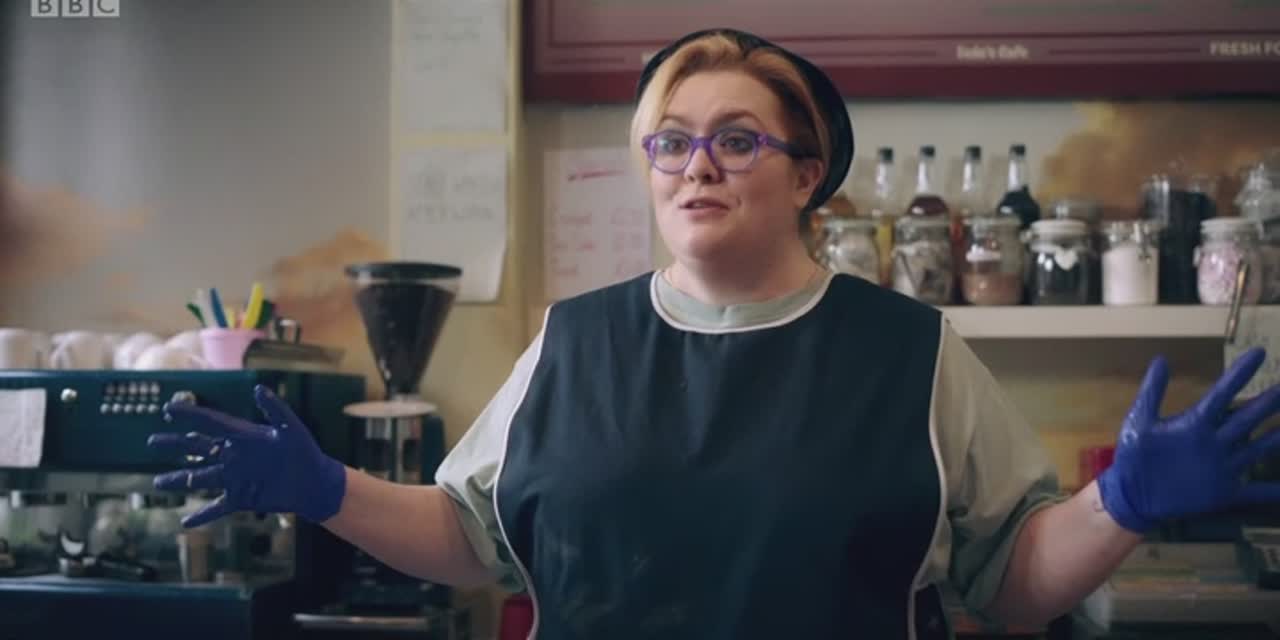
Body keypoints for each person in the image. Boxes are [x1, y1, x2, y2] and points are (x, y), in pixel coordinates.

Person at [150, 28, 1280, 639]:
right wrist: (328, 490)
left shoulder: (910, 351)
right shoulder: (571, 343)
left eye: (736, 139)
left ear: (805, 175)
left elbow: (1010, 583)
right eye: (670, 142)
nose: (697, 165)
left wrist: (1117, 507)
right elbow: (469, 534)